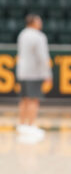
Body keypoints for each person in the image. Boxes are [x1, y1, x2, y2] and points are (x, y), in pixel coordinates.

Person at [16, 14, 52, 142]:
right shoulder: (39, 36)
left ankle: (22, 124)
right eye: (39, 21)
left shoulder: (22, 34)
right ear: (33, 23)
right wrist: (47, 73)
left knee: (24, 98)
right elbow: (42, 57)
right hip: (34, 72)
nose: (41, 23)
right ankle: (30, 125)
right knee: (33, 99)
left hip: (22, 71)